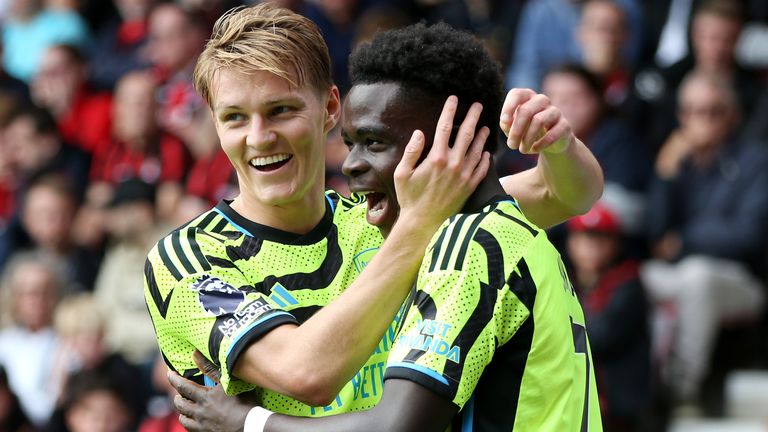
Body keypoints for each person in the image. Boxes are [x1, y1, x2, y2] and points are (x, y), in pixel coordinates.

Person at [147, 0, 602, 421]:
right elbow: (306, 373)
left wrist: (557, 143)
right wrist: (420, 223)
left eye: (280, 110)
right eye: (235, 118)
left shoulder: (384, 213)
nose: (259, 137)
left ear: (329, 108)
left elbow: (567, 194)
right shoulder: (187, 261)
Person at [643, 70, 768, 412]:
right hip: (678, 273)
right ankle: (638, 388)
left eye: (713, 111)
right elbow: (654, 234)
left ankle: (683, 392)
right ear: (681, 115)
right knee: (634, 278)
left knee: (697, 277)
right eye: (693, 111)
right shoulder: (675, 160)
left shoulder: (755, 161)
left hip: (741, 281)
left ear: (733, 115)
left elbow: (749, 235)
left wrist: (684, 242)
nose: (703, 120)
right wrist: (665, 175)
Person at [566, 203, 650, 431]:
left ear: (614, 245)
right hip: (578, 398)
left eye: (600, 240)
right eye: (585, 239)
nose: (591, 248)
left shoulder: (628, 283)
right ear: (571, 243)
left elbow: (596, 338)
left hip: (620, 405)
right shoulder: (566, 280)